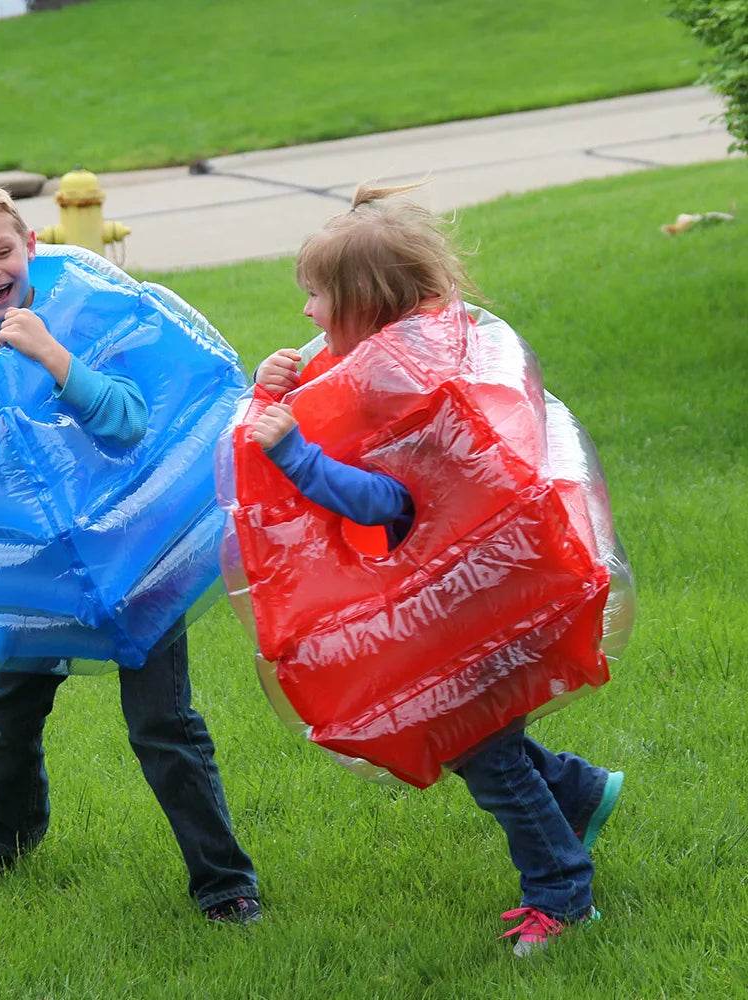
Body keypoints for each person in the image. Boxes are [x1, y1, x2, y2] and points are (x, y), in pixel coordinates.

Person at [0, 182, 260, 924]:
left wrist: (54, 357)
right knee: (8, 712)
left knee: (161, 726)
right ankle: (4, 838)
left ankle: (224, 881)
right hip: (36, 567)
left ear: (32, 248)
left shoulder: (76, 316)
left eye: (2, 251)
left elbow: (128, 421)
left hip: (131, 558)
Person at [249, 182, 622, 956]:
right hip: (487, 599)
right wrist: (276, 388)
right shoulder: (418, 354)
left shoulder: (408, 390)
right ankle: (580, 790)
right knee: (485, 743)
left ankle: (563, 891)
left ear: (365, 304)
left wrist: (292, 454)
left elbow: (385, 500)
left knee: (484, 756)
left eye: (318, 297)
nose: (309, 313)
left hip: (474, 612)